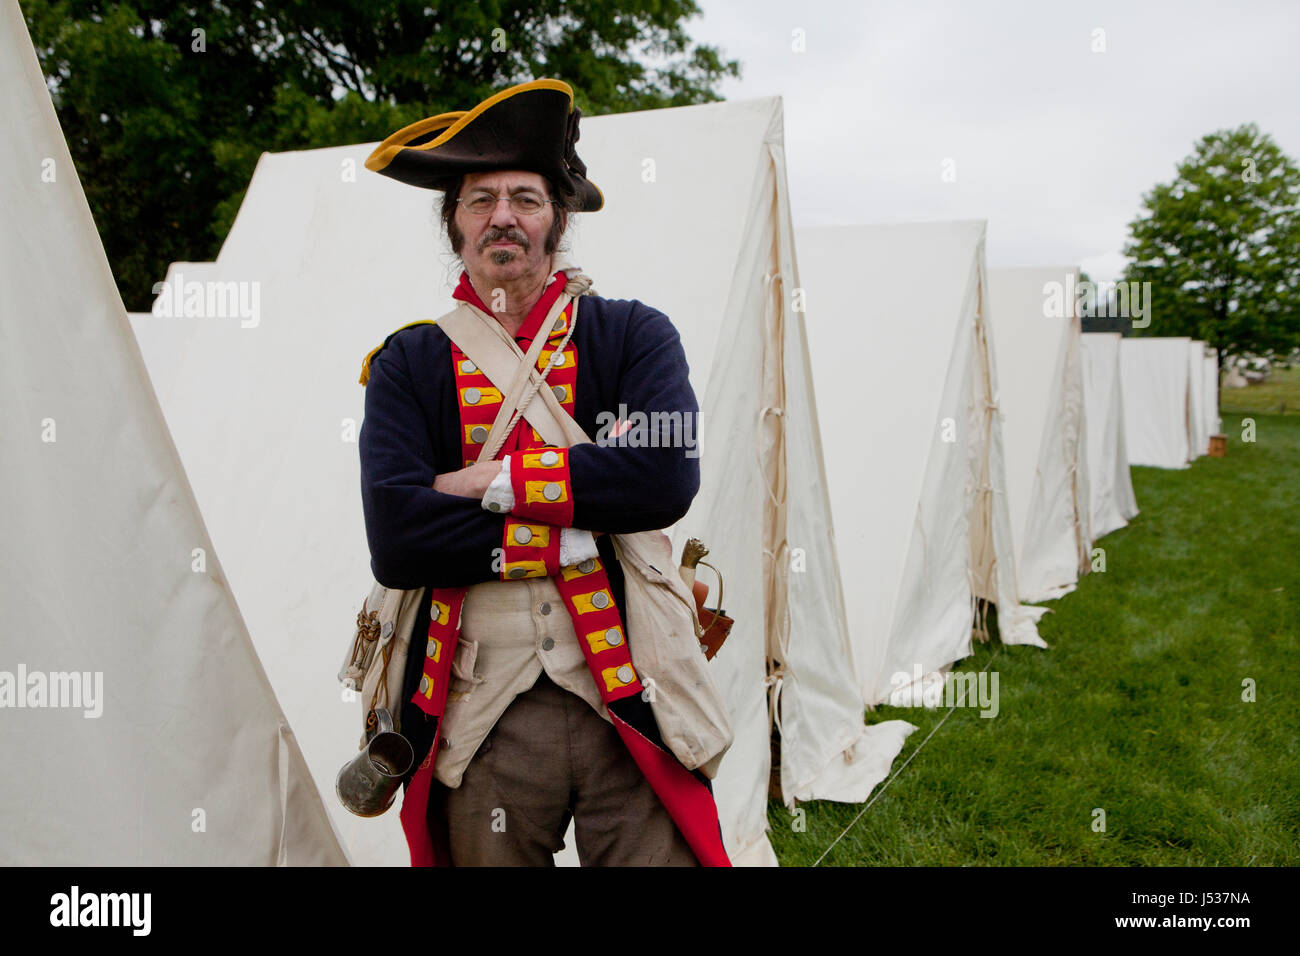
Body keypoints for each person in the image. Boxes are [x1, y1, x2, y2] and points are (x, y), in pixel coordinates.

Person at [357, 79, 731, 866]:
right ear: (453, 224)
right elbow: (399, 536)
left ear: (558, 219)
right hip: (476, 709)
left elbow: (663, 480)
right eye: (480, 198)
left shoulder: (632, 335)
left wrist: (486, 485)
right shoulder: (410, 363)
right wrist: (578, 526)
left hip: (631, 694)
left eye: (525, 197)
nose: (503, 216)